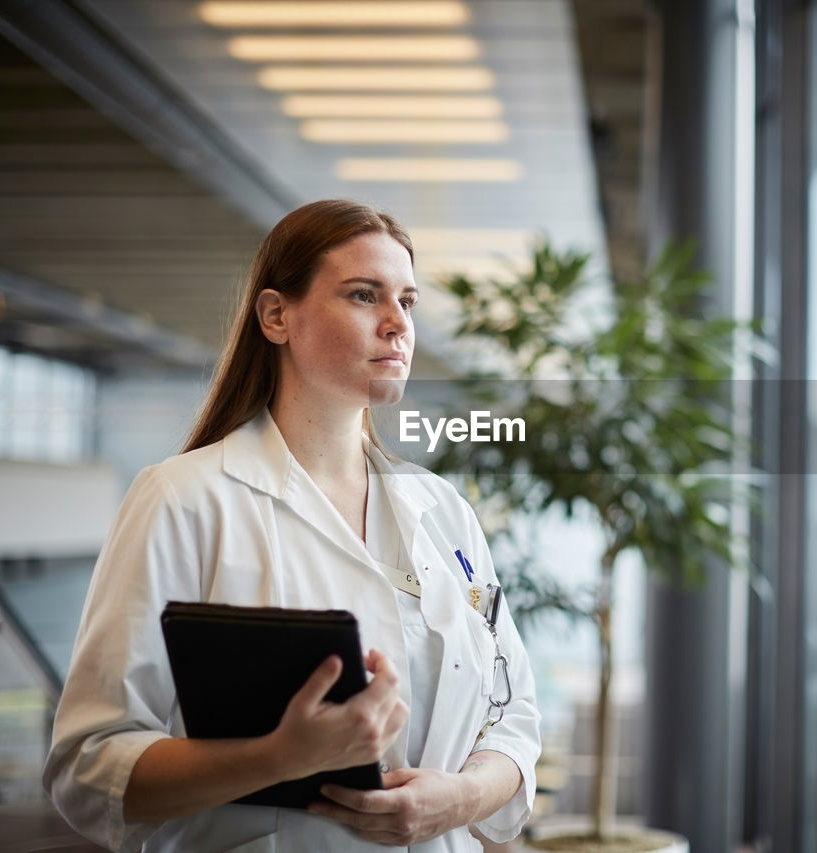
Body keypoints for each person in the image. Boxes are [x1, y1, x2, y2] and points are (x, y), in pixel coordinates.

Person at [44, 200, 541, 852]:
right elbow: (89, 762)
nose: (397, 324)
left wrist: (460, 797)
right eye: (365, 295)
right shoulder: (185, 499)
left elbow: (513, 719)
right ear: (277, 315)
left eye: (409, 301)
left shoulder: (443, 509)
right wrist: (278, 756)